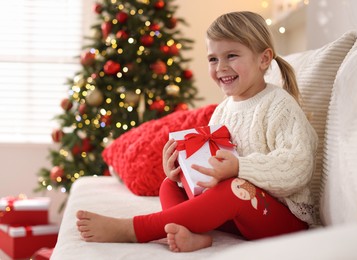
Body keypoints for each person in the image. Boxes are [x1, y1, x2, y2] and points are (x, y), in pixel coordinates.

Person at [76, 11, 318, 253]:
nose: (221, 67)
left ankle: (135, 230)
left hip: (282, 222)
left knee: (233, 189)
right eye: (213, 59)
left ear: (263, 59)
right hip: (236, 216)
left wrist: (239, 167)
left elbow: (298, 166)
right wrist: (183, 172)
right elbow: (211, 166)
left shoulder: (279, 105)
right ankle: (194, 235)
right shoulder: (223, 111)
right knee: (169, 186)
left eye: (231, 56)